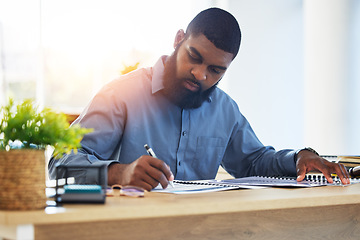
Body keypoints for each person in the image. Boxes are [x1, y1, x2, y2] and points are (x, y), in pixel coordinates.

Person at [48, 7, 350, 191]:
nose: (200, 75)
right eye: (194, 57)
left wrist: (298, 158)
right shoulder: (121, 94)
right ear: (179, 39)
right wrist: (119, 172)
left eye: (215, 70)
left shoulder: (225, 110)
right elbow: (59, 164)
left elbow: (254, 161)